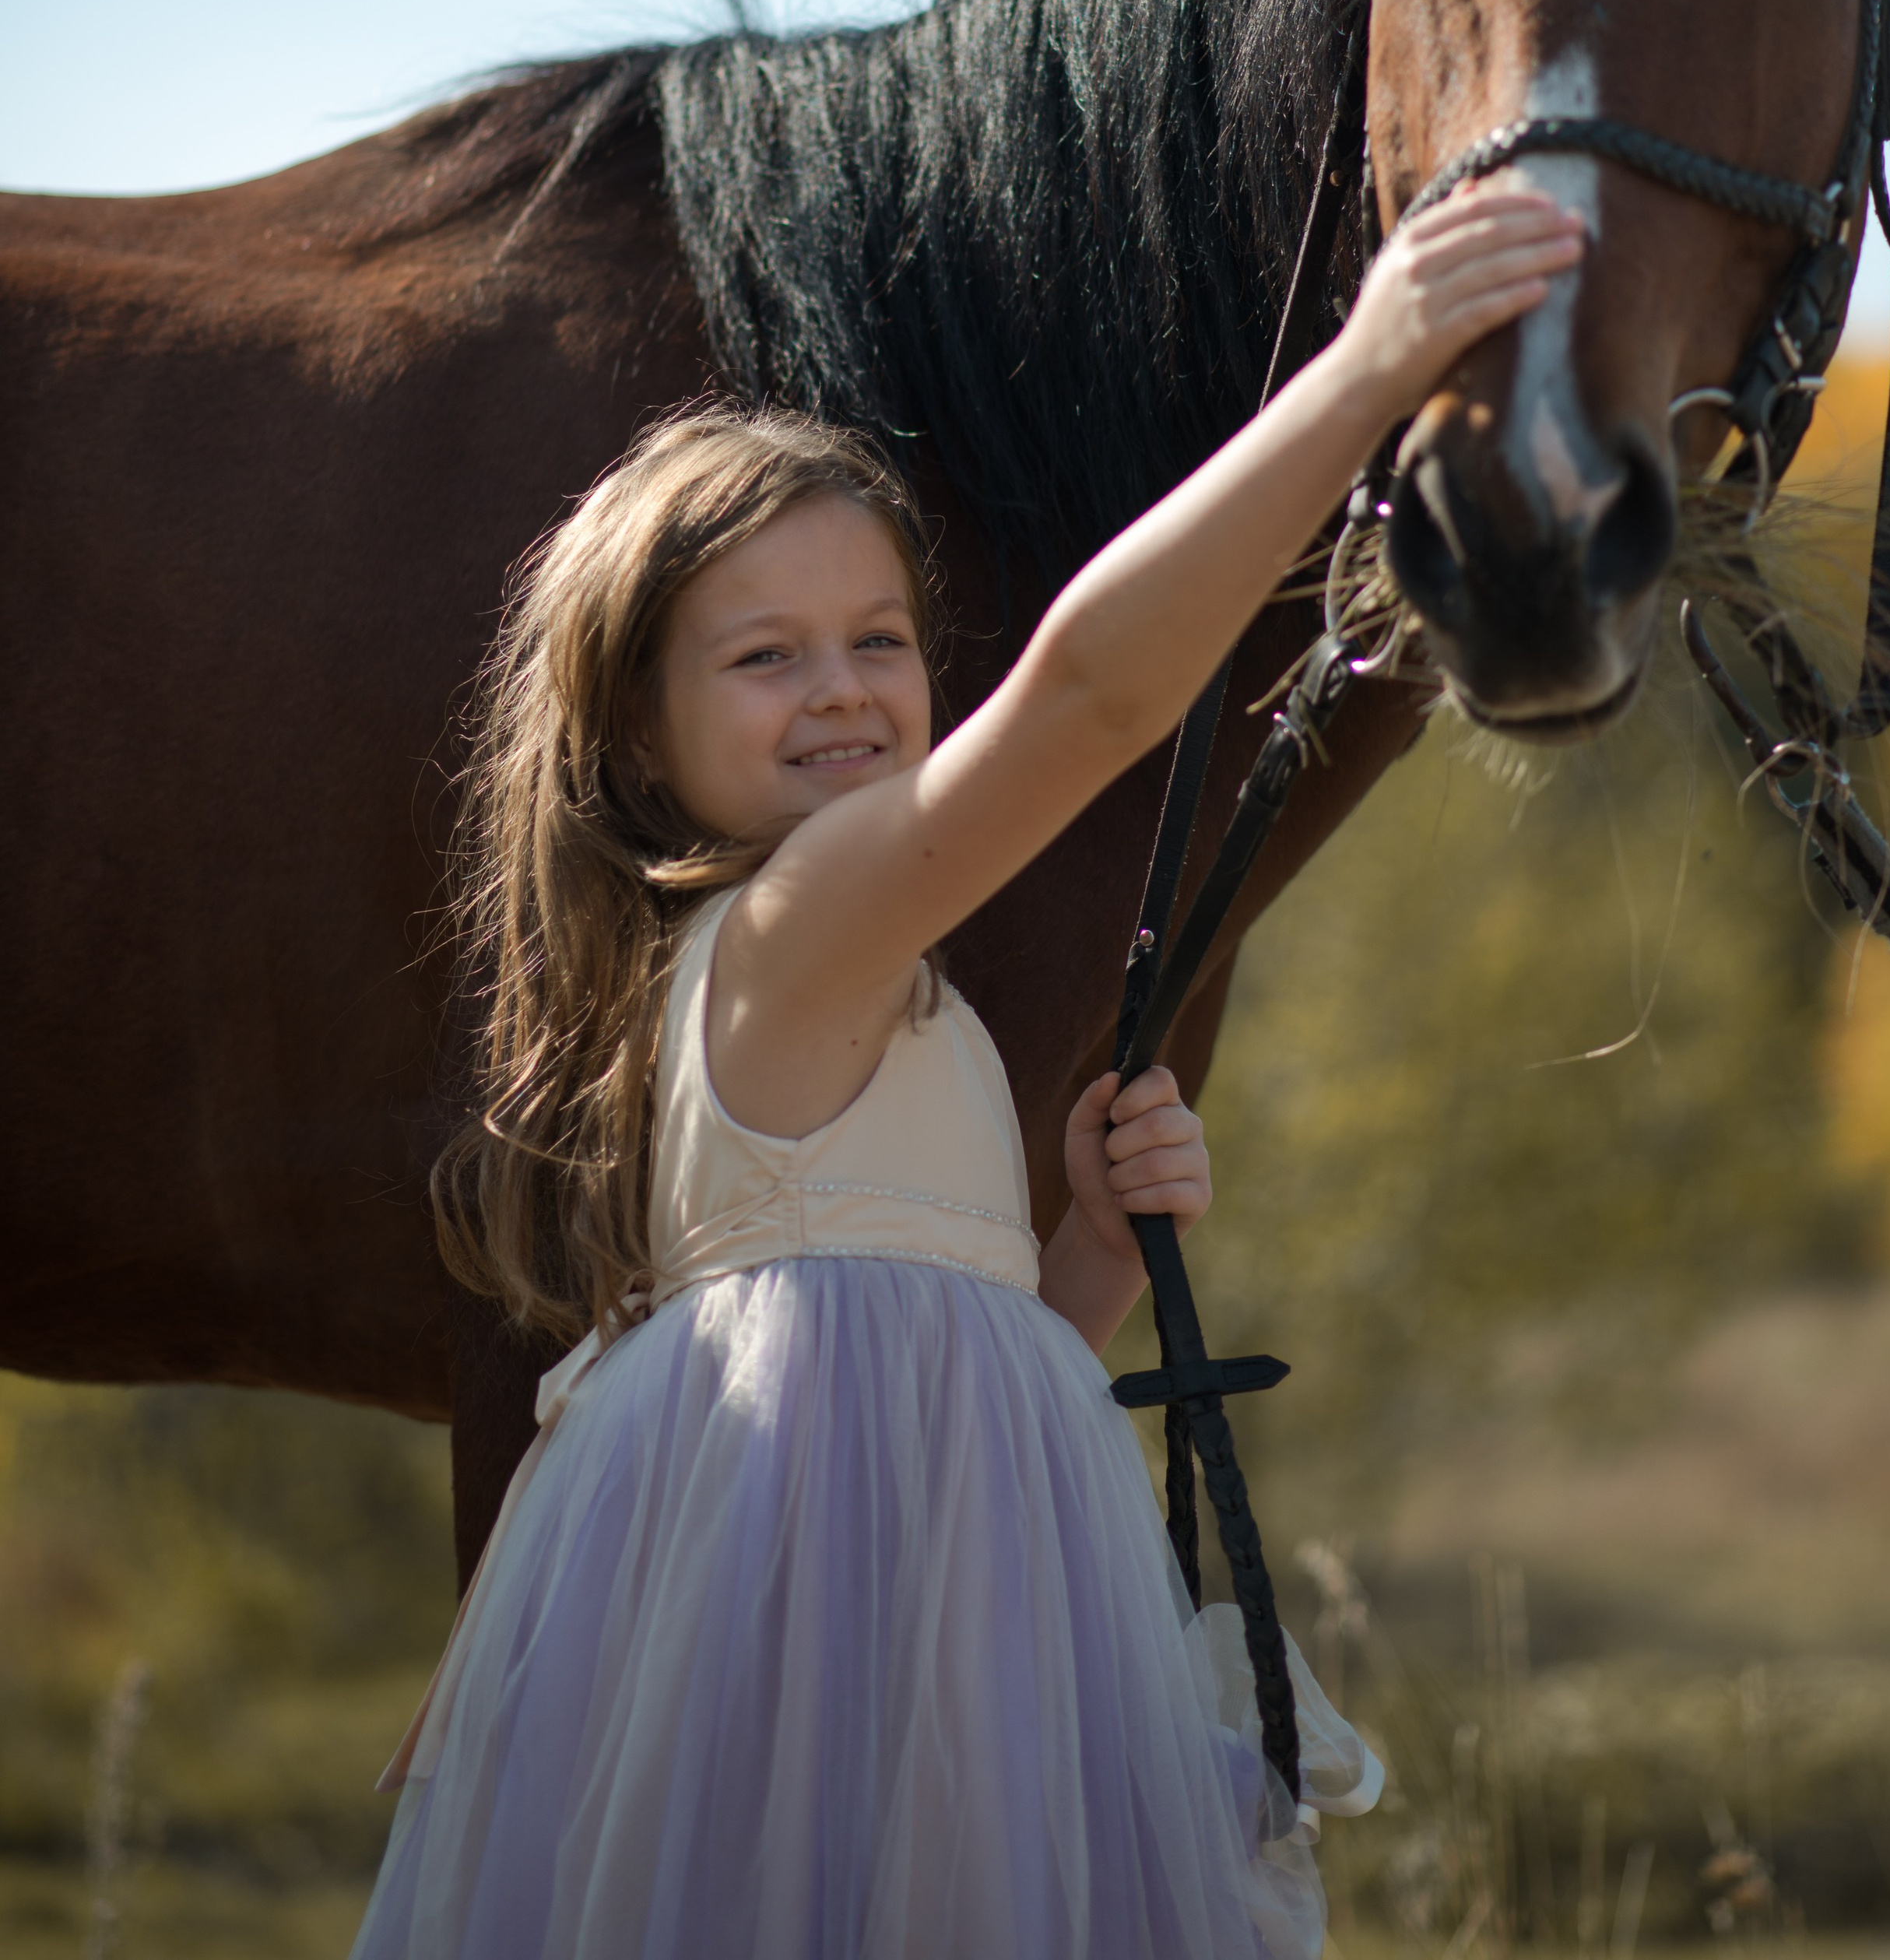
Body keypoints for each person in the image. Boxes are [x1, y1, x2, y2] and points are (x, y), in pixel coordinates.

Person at [350, 184, 1584, 1960]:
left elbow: (950, 1389)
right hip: (875, 1665)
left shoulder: (829, 973)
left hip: (911, 1629)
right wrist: (1363, 373)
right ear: (637, 732)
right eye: (763, 656)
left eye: (880, 639)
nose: (841, 690)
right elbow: (1092, 698)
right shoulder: (804, 917)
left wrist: (1082, 1252)